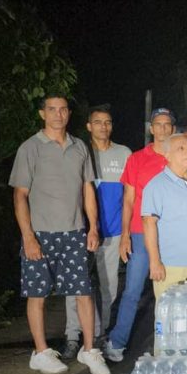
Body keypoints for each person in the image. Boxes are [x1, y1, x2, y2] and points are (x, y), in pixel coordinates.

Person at [9, 95, 110, 374]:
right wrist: (28, 236)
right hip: (40, 233)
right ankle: (40, 352)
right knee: (37, 293)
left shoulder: (80, 147)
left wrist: (93, 227)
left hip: (74, 232)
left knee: (83, 292)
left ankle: (89, 349)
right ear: (43, 113)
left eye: (63, 109)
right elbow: (20, 195)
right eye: (52, 109)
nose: (58, 114)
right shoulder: (30, 148)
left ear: (68, 114)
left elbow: (87, 189)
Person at [103, 108, 175, 362]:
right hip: (139, 233)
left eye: (168, 124)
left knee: (170, 293)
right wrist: (124, 236)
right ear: (151, 128)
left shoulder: (178, 158)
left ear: (173, 129)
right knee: (133, 290)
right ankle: (117, 342)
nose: (163, 129)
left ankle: (171, 344)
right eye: (158, 124)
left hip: (170, 235)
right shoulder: (136, 159)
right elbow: (129, 200)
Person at [62, 106, 131, 359]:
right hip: (79, 230)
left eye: (108, 122)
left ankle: (99, 335)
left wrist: (125, 231)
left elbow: (129, 196)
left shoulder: (124, 153)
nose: (103, 126)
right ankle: (72, 335)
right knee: (75, 285)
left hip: (111, 232)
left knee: (108, 286)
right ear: (89, 126)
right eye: (98, 122)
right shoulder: (79, 151)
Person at [142, 134, 187, 299]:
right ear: (167, 155)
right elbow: (149, 224)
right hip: (170, 266)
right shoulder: (156, 185)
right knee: (168, 318)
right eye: (181, 148)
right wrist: (155, 262)